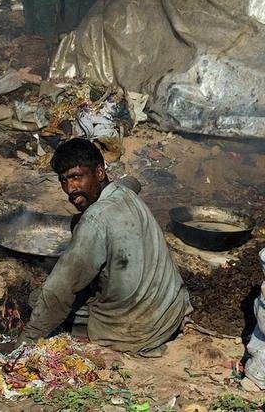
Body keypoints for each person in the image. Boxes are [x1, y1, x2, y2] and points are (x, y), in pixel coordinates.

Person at [19, 138, 192, 354]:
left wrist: (26, 342)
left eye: (76, 177)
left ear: (99, 173)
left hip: (137, 331)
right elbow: (130, 183)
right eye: (63, 180)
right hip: (170, 310)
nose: (70, 188)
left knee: (39, 300)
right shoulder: (124, 193)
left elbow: (57, 292)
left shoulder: (94, 221)